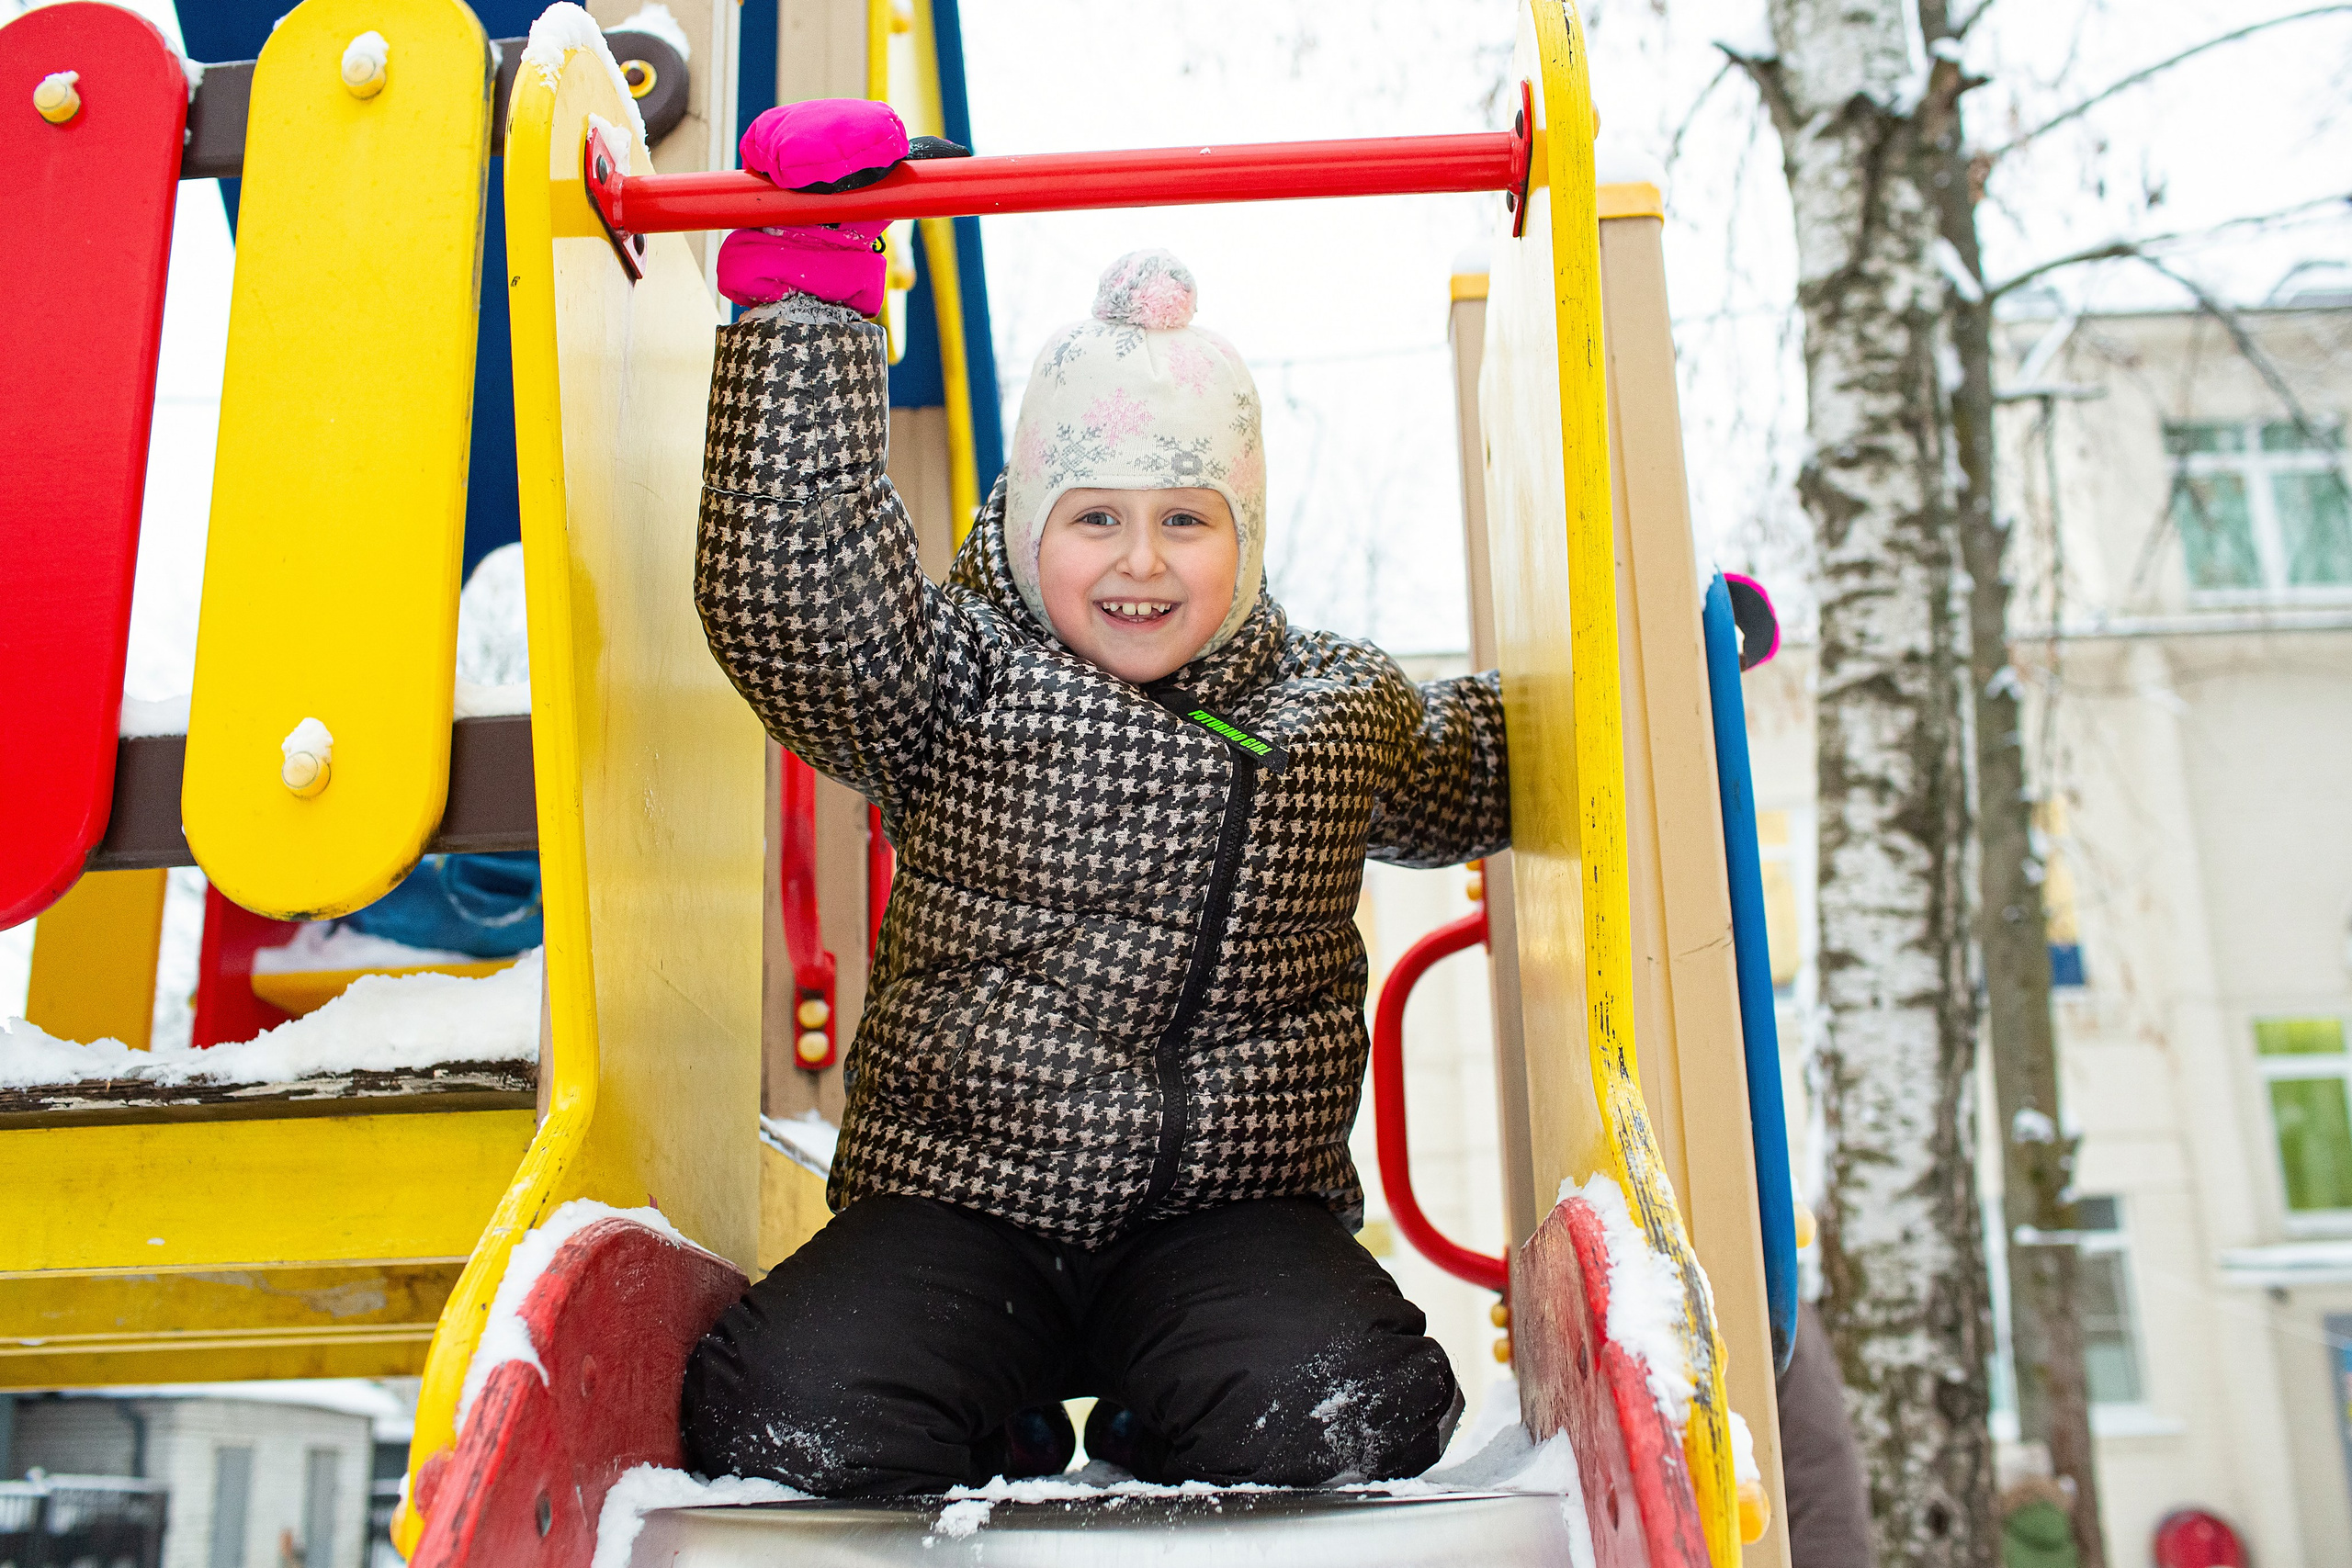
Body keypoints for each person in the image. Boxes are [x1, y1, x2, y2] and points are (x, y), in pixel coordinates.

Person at [678, 99, 1511, 1496]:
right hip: (962, 1209)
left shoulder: (1329, 709)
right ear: (1027, 524)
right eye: (1094, 517)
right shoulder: (955, 677)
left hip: (1227, 1223)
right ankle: (985, 1420)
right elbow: (797, 599)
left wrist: (1669, 653)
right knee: (789, 1413)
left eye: (1185, 518)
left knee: (1351, 1414)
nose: (1140, 561)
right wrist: (815, 296)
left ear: (1243, 537)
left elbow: (1491, 756)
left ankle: (1155, 1419)